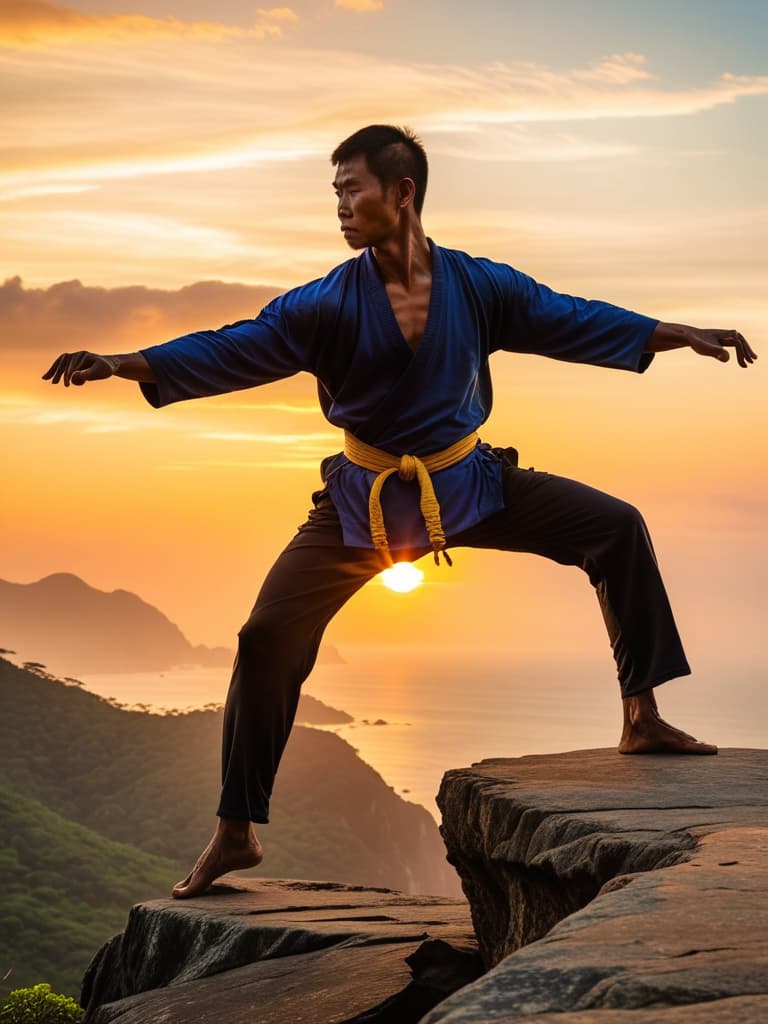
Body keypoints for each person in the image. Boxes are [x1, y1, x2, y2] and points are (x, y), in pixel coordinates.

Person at [44, 124, 757, 900]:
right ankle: (236, 829)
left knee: (614, 526)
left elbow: (568, 315)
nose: (341, 207)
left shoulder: (478, 286)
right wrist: (123, 362)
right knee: (265, 636)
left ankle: (640, 716)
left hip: (468, 486)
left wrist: (674, 332)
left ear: (402, 192)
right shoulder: (325, 303)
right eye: (336, 193)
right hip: (365, 505)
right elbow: (234, 344)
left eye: (352, 188)